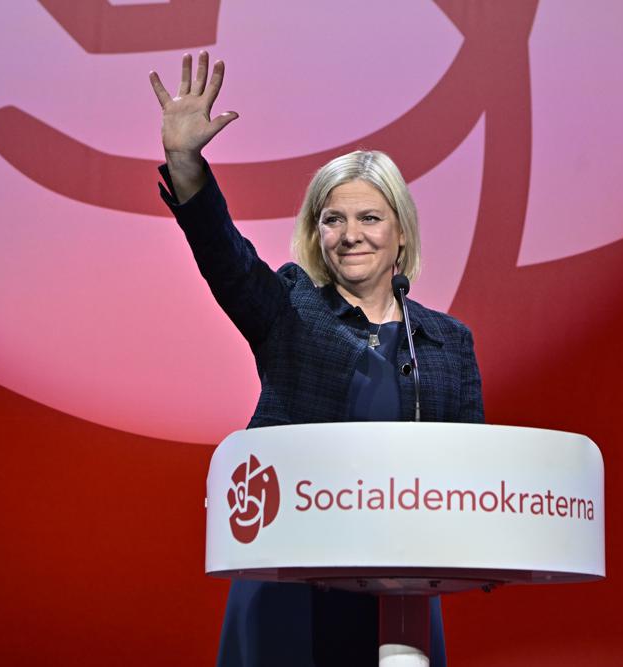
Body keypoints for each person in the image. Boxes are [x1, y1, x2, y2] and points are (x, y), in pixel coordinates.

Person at [150, 51, 484, 667]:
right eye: (332, 219)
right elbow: (228, 259)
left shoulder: (447, 344)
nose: (349, 234)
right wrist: (186, 164)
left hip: (400, 593)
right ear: (316, 231)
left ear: (400, 232)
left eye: (368, 217)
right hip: (289, 585)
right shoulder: (292, 311)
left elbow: (475, 482)